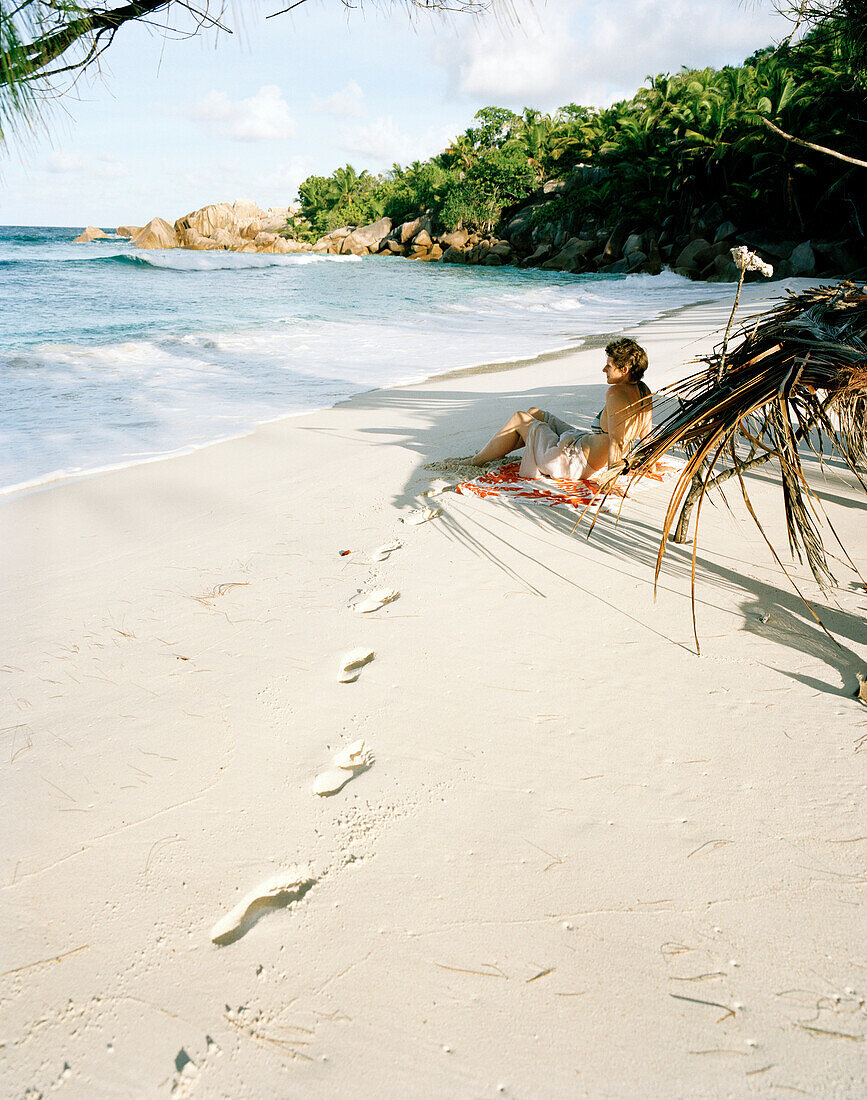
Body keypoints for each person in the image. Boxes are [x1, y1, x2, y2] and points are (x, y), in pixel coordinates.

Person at [470, 338, 652, 486]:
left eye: (609, 366)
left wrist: (612, 481)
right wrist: (652, 465)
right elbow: (647, 436)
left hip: (571, 464)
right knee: (535, 413)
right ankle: (497, 450)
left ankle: (475, 461)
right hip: (581, 445)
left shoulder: (616, 394)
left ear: (624, 370)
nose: (603, 369)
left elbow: (617, 442)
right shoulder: (644, 390)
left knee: (520, 418)